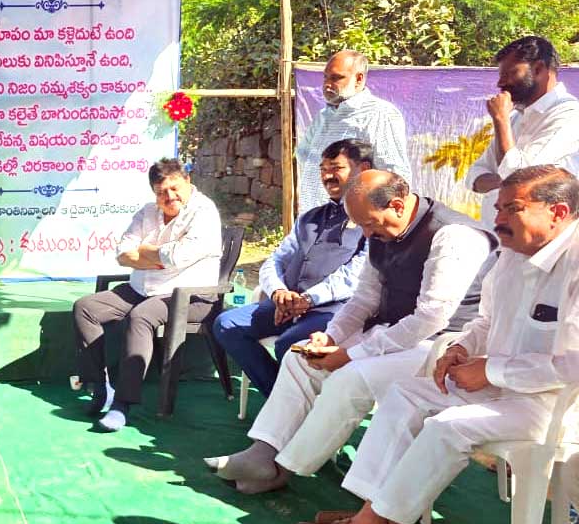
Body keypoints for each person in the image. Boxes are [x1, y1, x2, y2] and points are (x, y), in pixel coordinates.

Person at [297, 165, 579, 524]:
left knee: (446, 427)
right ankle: (374, 515)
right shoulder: (513, 253)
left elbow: (573, 366)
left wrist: (490, 371)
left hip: (553, 405)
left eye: (512, 209)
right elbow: (486, 321)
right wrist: (460, 349)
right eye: (498, 208)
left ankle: (376, 522)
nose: (498, 218)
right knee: (405, 395)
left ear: (558, 213)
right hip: (497, 386)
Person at [204, 170, 496, 493]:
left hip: (442, 345)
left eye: (369, 224)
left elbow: (431, 317)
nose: (367, 234)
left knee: (350, 377)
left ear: (398, 206)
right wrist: (331, 336)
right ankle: (263, 452)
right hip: (394, 333)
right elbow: (364, 299)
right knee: (300, 359)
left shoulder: (454, 236)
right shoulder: (380, 233)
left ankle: (282, 467)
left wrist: (351, 355)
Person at [72, 158, 222, 432]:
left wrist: (143, 251)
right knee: (85, 307)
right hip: (142, 289)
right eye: (161, 192)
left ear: (187, 181)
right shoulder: (147, 212)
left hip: (189, 296)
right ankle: (100, 387)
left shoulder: (204, 211)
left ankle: (122, 404)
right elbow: (122, 253)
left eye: (174, 188)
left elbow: (180, 255)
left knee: (142, 315)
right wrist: (156, 257)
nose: (169, 197)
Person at [213, 140, 372, 397]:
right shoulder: (310, 217)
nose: (328, 176)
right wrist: (279, 293)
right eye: (323, 169)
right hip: (289, 305)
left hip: (335, 310)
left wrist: (308, 299)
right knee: (226, 324)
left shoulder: (371, 218)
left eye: (336, 168)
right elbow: (276, 260)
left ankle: (288, 404)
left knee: (289, 344)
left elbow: (357, 275)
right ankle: (281, 399)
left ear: (362, 169)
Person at [467, 36, 579, 228]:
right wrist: (507, 182)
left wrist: (500, 120)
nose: (500, 83)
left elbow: (518, 177)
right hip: (496, 233)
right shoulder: (515, 117)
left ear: (538, 69)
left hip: (538, 239)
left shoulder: (569, 115)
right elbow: (474, 176)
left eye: (510, 73)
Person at [297, 51, 410, 212]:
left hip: (352, 220)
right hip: (314, 216)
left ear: (358, 79)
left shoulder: (379, 114)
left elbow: (393, 175)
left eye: (336, 78)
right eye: (325, 77)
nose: (327, 84)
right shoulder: (324, 116)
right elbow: (304, 157)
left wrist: (369, 218)